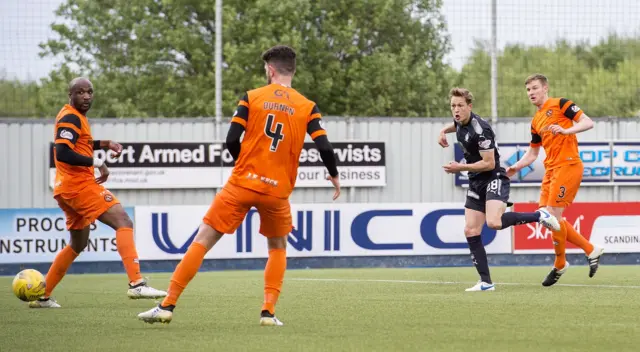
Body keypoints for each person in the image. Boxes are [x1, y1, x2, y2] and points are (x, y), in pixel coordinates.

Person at [137, 45, 341, 326]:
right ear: (292, 70)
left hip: (242, 183)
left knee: (203, 240)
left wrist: (243, 164)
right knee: (278, 247)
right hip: (276, 191)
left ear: (270, 70)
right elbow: (325, 147)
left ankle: (167, 304)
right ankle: (268, 312)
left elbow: (231, 140)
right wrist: (333, 175)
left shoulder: (252, 97)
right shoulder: (307, 106)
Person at [29, 77, 167, 308]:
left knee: (77, 244)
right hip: (78, 186)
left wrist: (106, 143)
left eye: (89, 92)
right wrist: (97, 162)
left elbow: (80, 143)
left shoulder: (75, 117)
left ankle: (43, 296)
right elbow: (62, 152)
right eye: (80, 92)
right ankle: (137, 284)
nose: (86, 96)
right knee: (123, 221)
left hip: (65, 189)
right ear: (70, 95)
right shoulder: (70, 116)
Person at [439, 87, 561, 292]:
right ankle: (486, 283)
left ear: (470, 106)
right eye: (453, 106)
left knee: (494, 223)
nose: (456, 110)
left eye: (460, 105)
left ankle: (539, 215)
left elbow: (488, 163)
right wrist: (442, 131)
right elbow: (454, 125)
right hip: (475, 181)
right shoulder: (460, 122)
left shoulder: (481, 130)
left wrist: (460, 167)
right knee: (470, 229)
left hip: (494, 176)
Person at [505, 74, 604, 287]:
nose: (531, 93)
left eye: (534, 88)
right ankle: (588, 250)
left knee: (551, 215)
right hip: (550, 170)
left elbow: (588, 122)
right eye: (528, 90)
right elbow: (532, 154)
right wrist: (516, 167)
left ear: (545, 88)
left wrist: (566, 129)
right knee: (546, 217)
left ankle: (561, 263)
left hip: (568, 164)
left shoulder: (560, 104)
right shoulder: (536, 121)